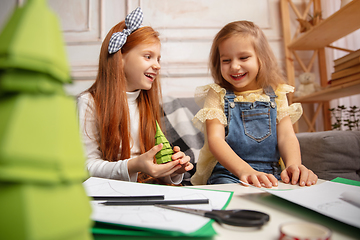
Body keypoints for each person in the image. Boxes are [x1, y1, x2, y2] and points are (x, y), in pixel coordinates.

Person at [191, 21, 318, 188]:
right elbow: (216, 140)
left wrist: (293, 166)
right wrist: (245, 171)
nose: (235, 66)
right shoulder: (217, 93)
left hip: (272, 173)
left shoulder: (277, 92)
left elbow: (287, 136)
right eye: (226, 60)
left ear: (261, 59)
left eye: (243, 57)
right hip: (229, 173)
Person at [77, 7, 193, 185]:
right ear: (120, 58)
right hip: (112, 192)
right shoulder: (89, 103)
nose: (157, 66)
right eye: (148, 56)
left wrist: (172, 170)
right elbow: (86, 167)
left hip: (149, 190)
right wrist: (134, 165)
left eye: (158, 59)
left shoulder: (146, 102)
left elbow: (152, 170)